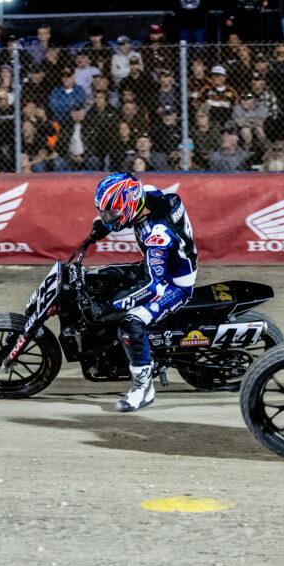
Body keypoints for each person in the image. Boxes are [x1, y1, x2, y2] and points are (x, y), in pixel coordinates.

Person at [89, 173, 197, 412]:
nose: (107, 218)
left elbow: (153, 286)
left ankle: (143, 387)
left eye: (111, 214)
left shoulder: (158, 234)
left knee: (131, 322)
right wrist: (105, 227)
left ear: (129, 205)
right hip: (159, 266)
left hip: (174, 283)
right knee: (100, 276)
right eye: (104, 213)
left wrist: (112, 307)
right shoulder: (147, 193)